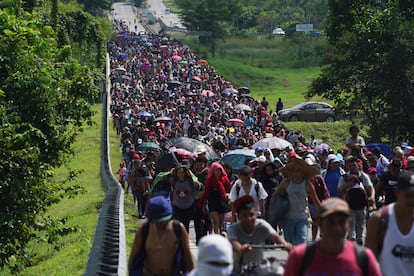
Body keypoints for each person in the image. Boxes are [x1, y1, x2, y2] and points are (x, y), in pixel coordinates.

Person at [284, 198, 381, 276]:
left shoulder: (364, 258)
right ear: (320, 224)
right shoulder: (300, 256)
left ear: (349, 224)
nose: (336, 228)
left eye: (341, 222)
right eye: (331, 222)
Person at [128, 196, 194, 275]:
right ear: (152, 220)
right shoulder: (144, 231)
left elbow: (187, 256)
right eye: (160, 221)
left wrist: (193, 273)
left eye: (167, 219)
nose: (164, 223)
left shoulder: (178, 229)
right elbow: (133, 258)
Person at [227, 195, 292, 275]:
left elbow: (275, 237)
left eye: (251, 215)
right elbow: (233, 242)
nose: (249, 218)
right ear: (239, 217)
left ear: (255, 214)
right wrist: (241, 249)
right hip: (237, 271)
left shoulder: (261, 225)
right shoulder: (233, 229)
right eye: (245, 215)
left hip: (257, 270)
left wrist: (285, 245)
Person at [365, 171, 414, 275]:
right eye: (408, 195)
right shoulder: (379, 220)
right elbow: (369, 263)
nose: (412, 200)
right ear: (397, 192)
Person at [270, 155, 321, 245]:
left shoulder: (308, 185)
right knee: (289, 244)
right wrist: (275, 214)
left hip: (302, 218)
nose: (296, 173)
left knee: (301, 242)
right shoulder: (286, 183)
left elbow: (316, 201)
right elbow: (274, 197)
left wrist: (324, 214)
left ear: (303, 172)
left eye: (299, 171)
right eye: (294, 171)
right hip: (287, 218)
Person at [337, 156, 376, 245]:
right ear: (347, 167)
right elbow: (339, 190)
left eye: (354, 165)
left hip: (362, 206)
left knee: (360, 226)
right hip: (349, 205)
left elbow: (371, 188)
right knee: (351, 226)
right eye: (350, 166)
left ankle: (359, 241)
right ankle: (351, 241)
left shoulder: (363, 176)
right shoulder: (345, 177)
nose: (352, 168)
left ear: (358, 166)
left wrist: (372, 197)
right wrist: (349, 185)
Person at [199, 162, 231, 234]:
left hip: (222, 204)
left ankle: (219, 236)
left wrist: (229, 201)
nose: (218, 172)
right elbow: (206, 194)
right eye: (216, 170)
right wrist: (203, 204)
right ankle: (217, 237)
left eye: (219, 170)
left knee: (220, 223)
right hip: (213, 204)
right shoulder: (210, 181)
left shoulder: (225, 180)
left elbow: (229, 191)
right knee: (215, 222)